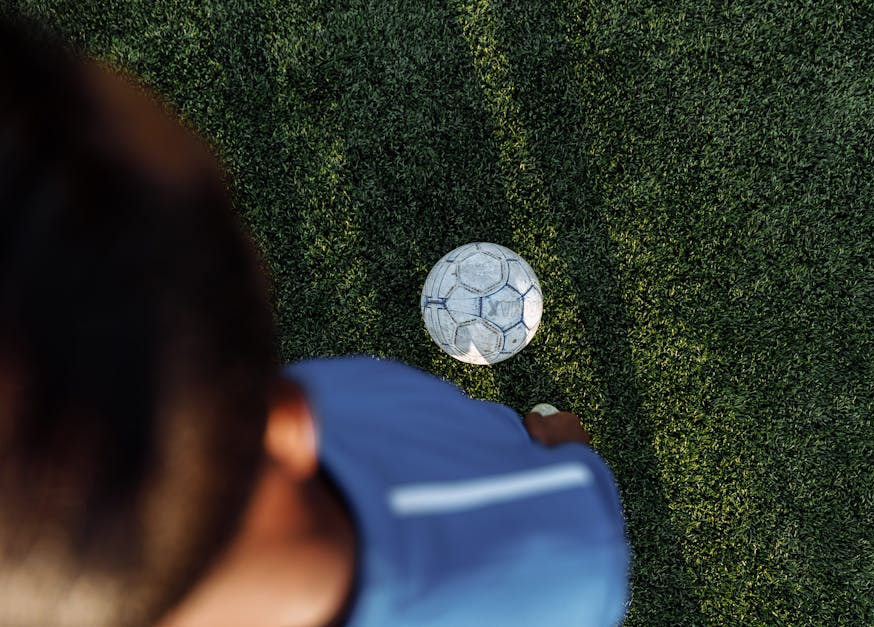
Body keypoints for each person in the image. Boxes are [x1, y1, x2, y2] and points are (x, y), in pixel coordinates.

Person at [0, 13, 631, 627]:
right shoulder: (555, 557)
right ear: (285, 424)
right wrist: (556, 447)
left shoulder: (191, 437)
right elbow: (572, 499)